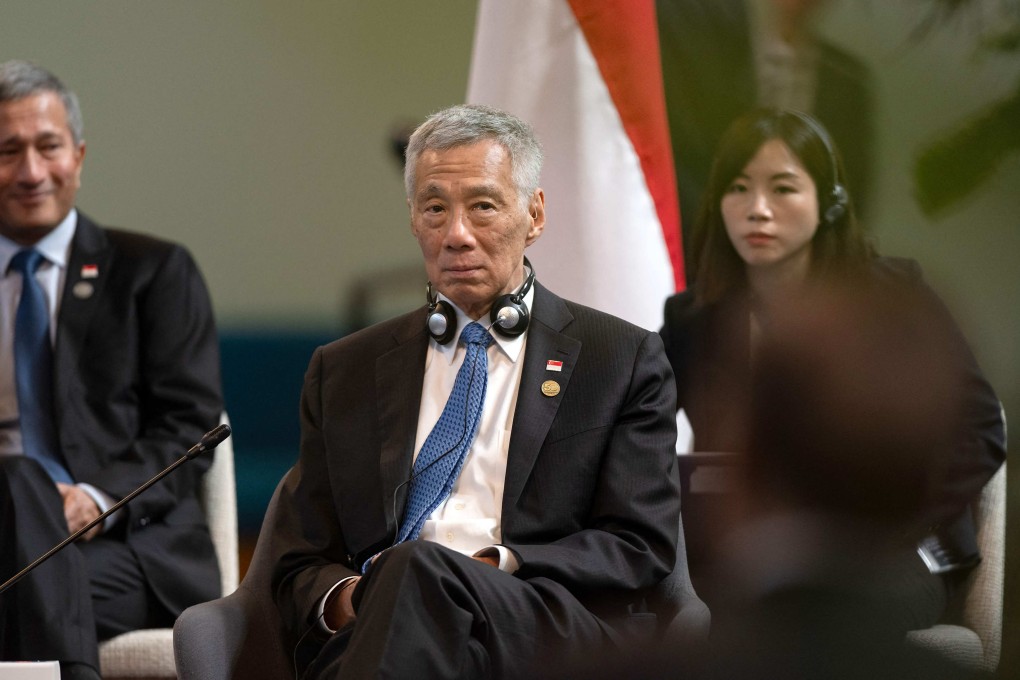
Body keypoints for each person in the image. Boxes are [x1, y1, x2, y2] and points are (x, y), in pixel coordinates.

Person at [269, 104, 683, 679]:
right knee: (410, 581)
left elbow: (640, 544)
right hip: (380, 621)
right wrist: (361, 597)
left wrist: (487, 566)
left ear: (534, 215)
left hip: (541, 621)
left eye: (483, 206)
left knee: (416, 571)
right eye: (435, 209)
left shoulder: (620, 359)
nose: (456, 235)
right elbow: (298, 559)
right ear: (412, 218)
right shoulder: (344, 371)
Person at [659, 108, 1006, 638]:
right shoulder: (694, 317)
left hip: (894, 550)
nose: (757, 210)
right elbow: (646, 428)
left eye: (783, 189)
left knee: (816, 626)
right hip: (756, 552)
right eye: (738, 187)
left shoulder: (892, 295)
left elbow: (981, 428)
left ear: (830, 202)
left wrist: (899, 522)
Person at [0, 61, 223, 680]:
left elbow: (192, 428)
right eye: (7, 151)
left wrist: (93, 501)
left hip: (126, 547)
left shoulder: (150, 272)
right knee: (14, 493)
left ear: (78, 154)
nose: (30, 172)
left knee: (23, 507)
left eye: (47, 147)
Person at [656, 0, 874, 272]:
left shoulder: (846, 85)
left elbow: (846, 205)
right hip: (687, 258)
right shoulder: (692, 29)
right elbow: (678, 160)